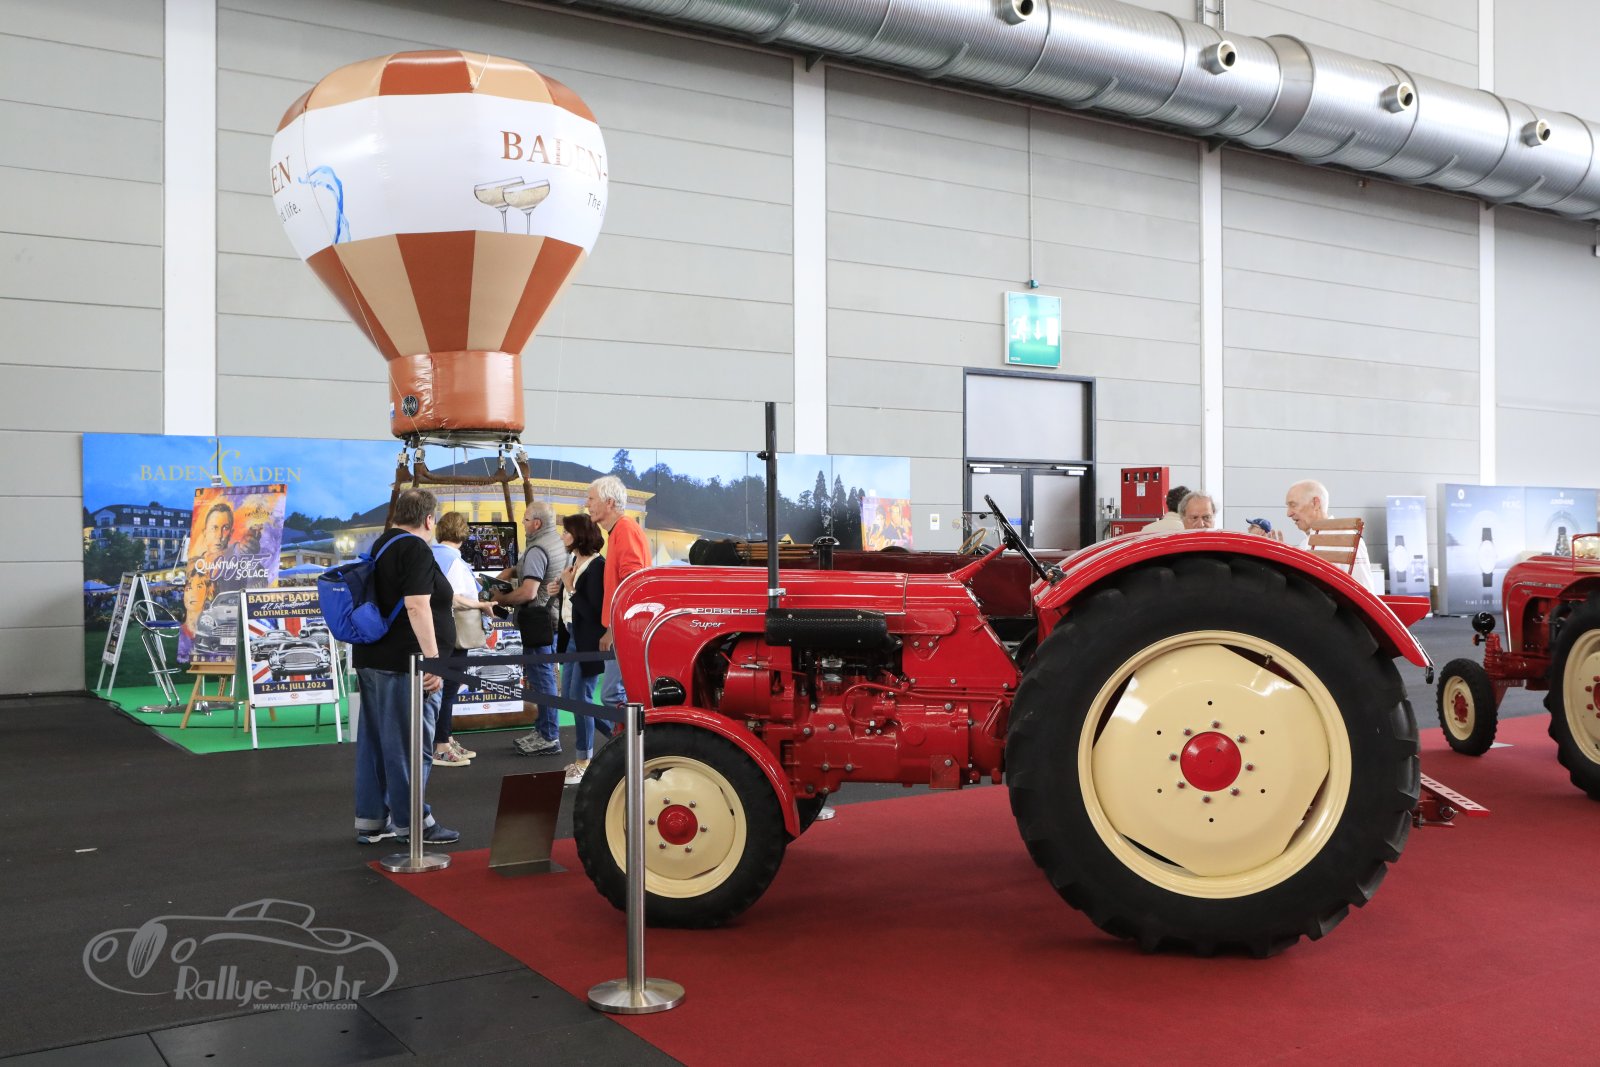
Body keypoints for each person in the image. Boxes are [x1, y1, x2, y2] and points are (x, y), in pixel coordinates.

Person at [353, 488, 459, 846]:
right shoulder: (415, 549)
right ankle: (413, 823)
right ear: (429, 519)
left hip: (372, 658)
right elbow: (417, 605)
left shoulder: (380, 545)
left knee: (375, 744)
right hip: (406, 663)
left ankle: (372, 820)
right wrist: (433, 659)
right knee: (410, 747)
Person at [494, 502, 568, 756]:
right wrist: (512, 570)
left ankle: (548, 736)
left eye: (525, 520)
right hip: (551, 619)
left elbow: (528, 592)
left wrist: (500, 598)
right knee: (544, 677)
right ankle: (544, 730)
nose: (523, 523)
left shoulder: (537, 549)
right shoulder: (555, 542)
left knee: (542, 679)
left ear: (537, 523)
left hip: (538, 621)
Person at [429, 511, 493, 768]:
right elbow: (454, 598)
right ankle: (441, 746)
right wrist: (481, 604)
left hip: (438, 631)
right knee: (448, 689)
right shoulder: (453, 560)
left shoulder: (433, 555)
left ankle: (445, 738)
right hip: (454, 632)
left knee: (443, 688)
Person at [588, 474, 651, 713]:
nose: (587, 504)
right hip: (624, 628)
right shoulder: (619, 530)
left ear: (609, 503)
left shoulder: (624, 529)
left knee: (612, 695)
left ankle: (637, 735)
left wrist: (613, 630)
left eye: (591, 499)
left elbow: (632, 583)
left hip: (626, 630)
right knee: (616, 695)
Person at [556, 512, 608, 786]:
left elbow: (594, 612)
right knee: (572, 699)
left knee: (580, 699)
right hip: (572, 636)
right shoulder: (575, 561)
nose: (563, 536)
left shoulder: (598, 566)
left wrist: (570, 589)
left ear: (579, 535)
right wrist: (560, 590)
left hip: (587, 639)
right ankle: (617, 738)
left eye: (566, 532)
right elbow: (573, 604)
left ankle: (584, 760)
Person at [1284, 479, 1373, 589]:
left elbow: (1364, 590)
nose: (1288, 513)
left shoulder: (1347, 539)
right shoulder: (1306, 543)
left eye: (1293, 505)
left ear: (1315, 503)